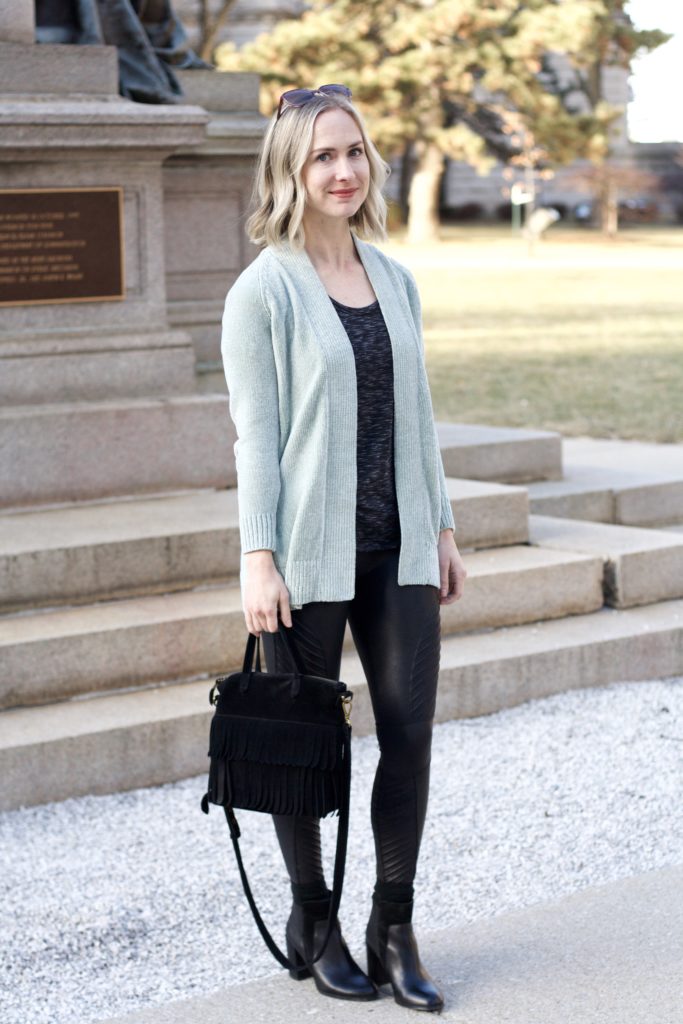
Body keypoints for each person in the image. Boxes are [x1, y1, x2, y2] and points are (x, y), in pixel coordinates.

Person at [221, 83, 467, 1013]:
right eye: (323, 154)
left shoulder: (394, 276)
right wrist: (257, 557)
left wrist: (440, 524)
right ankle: (313, 921)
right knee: (304, 750)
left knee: (406, 739)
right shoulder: (263, 290)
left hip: (397, 547)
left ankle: (392, 926)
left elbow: (422, 416)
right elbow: (255, 435)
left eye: (354, 151)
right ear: (289, 167)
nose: (342, 170)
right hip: (304, 558)